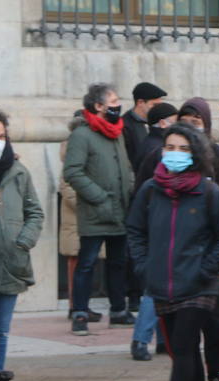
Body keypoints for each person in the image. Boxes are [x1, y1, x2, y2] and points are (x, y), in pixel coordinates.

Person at [127, 125, 219, 381]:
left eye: (182, 148)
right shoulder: (150, 190)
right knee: (181, 350)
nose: (174, 153)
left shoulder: (208, 192)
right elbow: (135, 231)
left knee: (185, 341)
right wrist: (145, 266)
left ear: (195, 154)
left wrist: (207, 268)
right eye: (170, 147)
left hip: (200, 284)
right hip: (162, 282)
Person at [63, 83, 136, 334]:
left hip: (120, 210)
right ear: (99, 106)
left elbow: (124, 167)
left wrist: (130, 186)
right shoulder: (82, 135)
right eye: (113, 101)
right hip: (96, 211)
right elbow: (72, 171)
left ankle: (118, 310)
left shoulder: (117, 132)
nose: (118, 105)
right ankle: (80, 313)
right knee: (87, 263)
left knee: (118, 262)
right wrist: (98, 196)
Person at [0, 111, 44, 381]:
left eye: (1, 136)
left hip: (10, 264)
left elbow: (35, 212)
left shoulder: (19, 172)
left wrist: (22, 242)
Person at [127, 101, 178, 361]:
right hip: (158, 229)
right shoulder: (155, 152)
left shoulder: (151, 146)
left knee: (160, 289)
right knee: (154, 290)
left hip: (160, 228)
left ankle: (160, 339)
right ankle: (141, 339)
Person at [122, 82, 168, 170]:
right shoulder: (124, 126)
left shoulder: (160, 121)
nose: (158, 109)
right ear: (140, 102)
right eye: (154, 105)